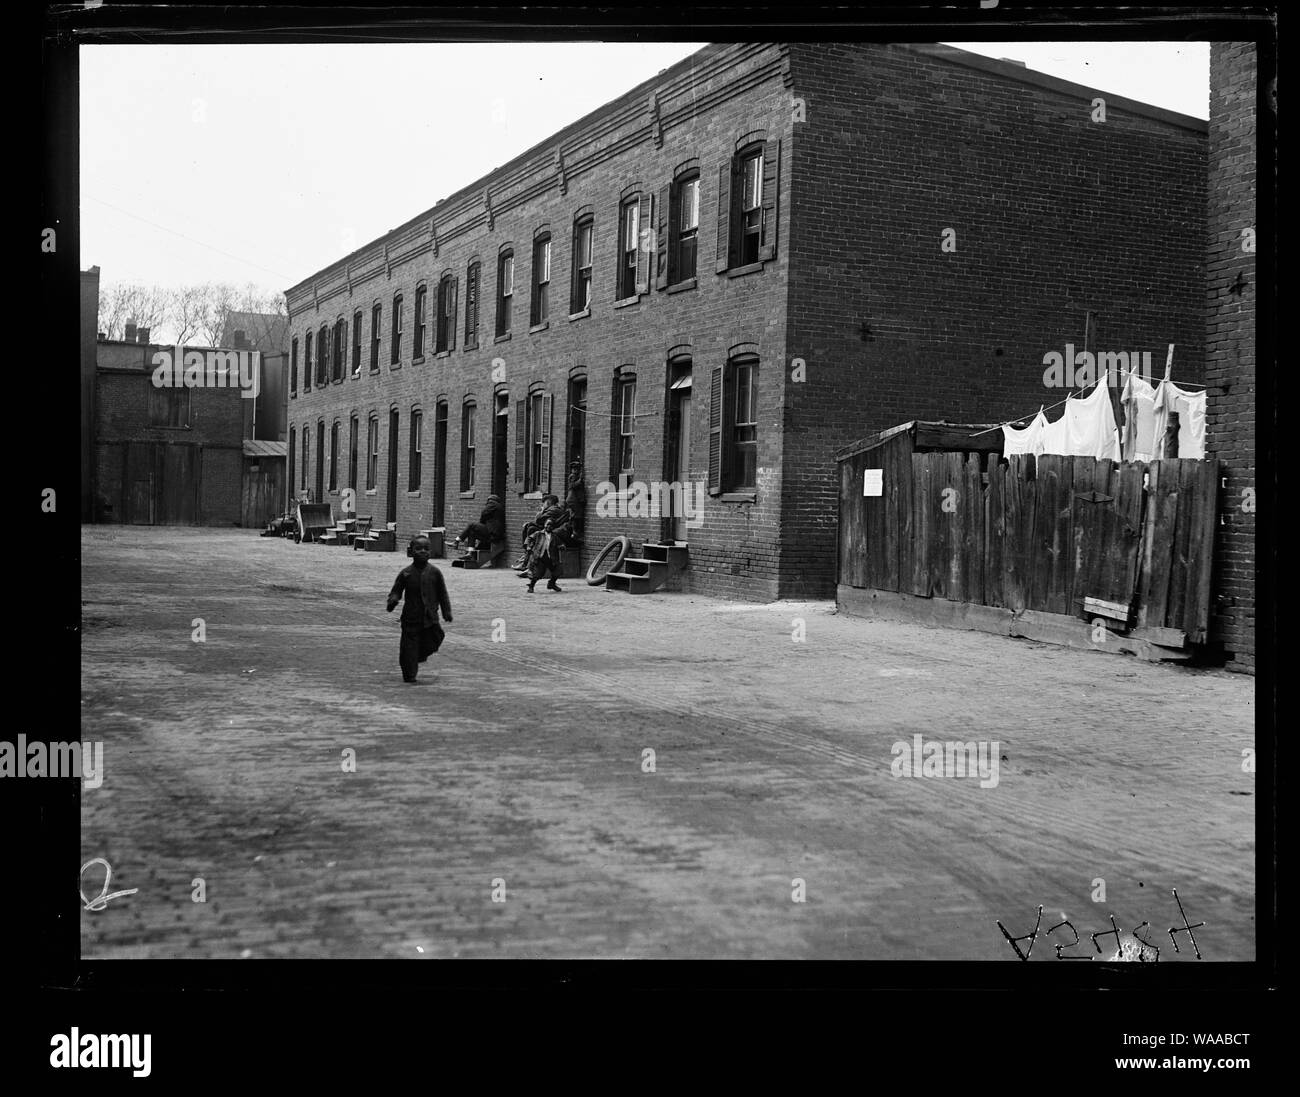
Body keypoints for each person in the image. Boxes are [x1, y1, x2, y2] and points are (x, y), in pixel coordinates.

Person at [386, 535, 453, 683]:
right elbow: (397, 590)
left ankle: (418, 655)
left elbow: (442, 593)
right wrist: (393, 600)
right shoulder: (406, 573)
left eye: (426, 549)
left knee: (435, 638)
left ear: (431, 552)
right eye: (418, 549)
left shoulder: (435, 573)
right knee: (408, 648)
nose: (422, 551)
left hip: (430, 618)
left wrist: (446, 611)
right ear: (410, 552)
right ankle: (409, 674)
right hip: (411, 617)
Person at [524, 504, 574, 593]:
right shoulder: (538, 534)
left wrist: (562, 547)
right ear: (544, 525)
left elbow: (560, 544)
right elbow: (529, 538)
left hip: (551, 557)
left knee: (557, 571)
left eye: (551, 525)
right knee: (538, 574)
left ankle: (552, 583)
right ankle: (531, 586)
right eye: (547, 525)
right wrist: (529, 546)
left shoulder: (554, 536)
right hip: (540, 556)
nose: (549, 527)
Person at [513, 494, 567, 571]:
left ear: (548, 503)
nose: (543, 505)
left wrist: (541, 511)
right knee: (529, 527)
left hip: (551, 533)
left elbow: (539, 520)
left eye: (543, 503)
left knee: (531, 529)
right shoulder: (553, 510)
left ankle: (526, 560)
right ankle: (526, 557)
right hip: (549, 531)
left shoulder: (554, 510)